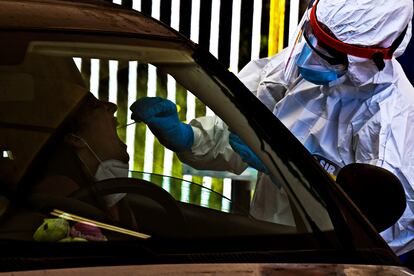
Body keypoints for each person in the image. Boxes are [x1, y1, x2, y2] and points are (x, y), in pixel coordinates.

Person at [130, 0, 414, 265]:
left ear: (370, 58)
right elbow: (239, 125)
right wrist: (189, 137)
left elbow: (380, 227)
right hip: (265, 243)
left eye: (328, 50)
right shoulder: (289, 71)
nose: (310, 54)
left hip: (329, 263)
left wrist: (289, 173)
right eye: (312, 35)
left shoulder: (391, 119)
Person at [33, 92, 138, 230]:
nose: (112, 106)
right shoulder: (62, 195)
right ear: (75, 139)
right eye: (94, 105)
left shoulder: (112, 194)